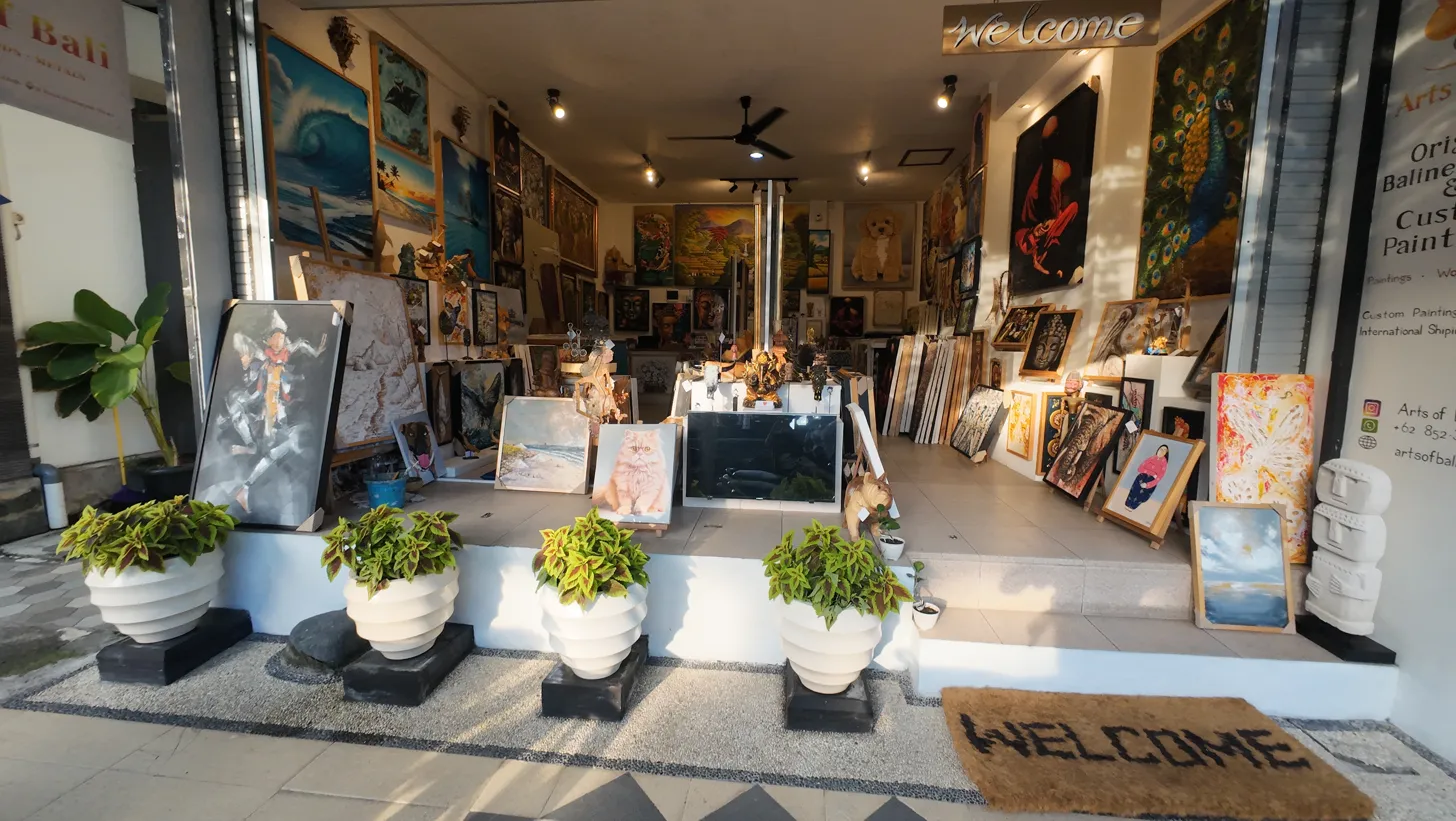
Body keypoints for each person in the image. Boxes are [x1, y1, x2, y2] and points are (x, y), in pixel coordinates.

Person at [1125, 444, 1169, 509]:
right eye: (1161, 449)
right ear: (1158, 449)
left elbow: (1158, 478)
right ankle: (1127, 504)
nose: (1162, 451)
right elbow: (1140, 468)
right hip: (1140, 479)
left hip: (1150, 482)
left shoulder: (1164, 463)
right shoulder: (1152, 458)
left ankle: (1133, 507)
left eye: (1164, 450)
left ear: (1166, 453)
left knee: (1141, 496)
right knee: (1134, 492)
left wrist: (1147, 485)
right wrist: (1152, 473)